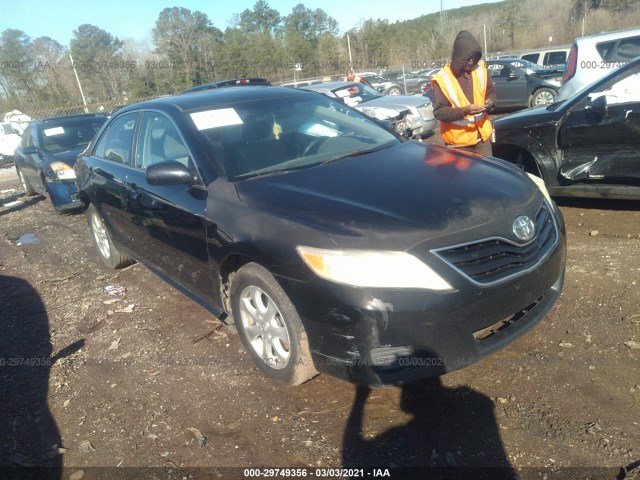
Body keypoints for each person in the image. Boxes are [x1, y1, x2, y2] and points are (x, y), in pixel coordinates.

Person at [431, 30, 496, 156]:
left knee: (487, 175)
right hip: (458, 144)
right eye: (467, 59)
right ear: (459, 57)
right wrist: (465, 111)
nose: (471, 63)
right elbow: (439, 112)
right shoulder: (443, 79)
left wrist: (490, 102)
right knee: (464, 176)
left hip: (483, 139)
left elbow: (491, 92)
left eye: (474, 58)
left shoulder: (480, 70)